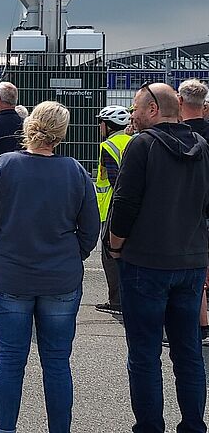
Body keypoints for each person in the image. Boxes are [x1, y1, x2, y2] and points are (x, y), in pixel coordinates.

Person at [0, 101, 100, 433]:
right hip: (60, 277)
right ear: (61, 133)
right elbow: (90, 228)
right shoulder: (75, 170)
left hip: (11, 273)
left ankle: (6, 429)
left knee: (10, 362)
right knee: (57, 363)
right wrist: (73, 255)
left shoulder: (4, 165)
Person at [109, 82, 209, 433]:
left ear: (153, 109)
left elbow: (124, 204)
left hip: (146, 264)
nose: (132, 115)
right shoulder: (202, 147)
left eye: (136, 108)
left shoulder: (142, 145)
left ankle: (150, 427)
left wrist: (115, 245)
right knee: (188, 353)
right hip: (191, 264)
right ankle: (194, 426)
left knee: (144, 355)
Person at [93, 105, 132, 315]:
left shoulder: (108, 146)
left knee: (110, 254)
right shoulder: (133, 140)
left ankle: (116, 301)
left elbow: (115, 178)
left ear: (109, 126)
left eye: (102, 122)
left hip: (111, 207)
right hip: (134, 205)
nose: (100, 125)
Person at [179, 79, 209, 342]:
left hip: (191, 213)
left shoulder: (181, 137)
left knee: (194, 271)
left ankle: (200, 325)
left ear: (180, 102)